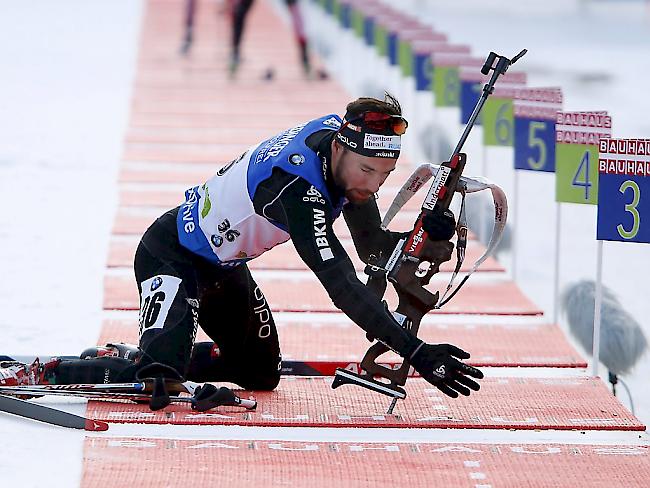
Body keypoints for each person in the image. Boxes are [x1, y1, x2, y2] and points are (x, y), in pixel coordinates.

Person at [0, 94, 483, 401]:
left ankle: (151, 347)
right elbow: (341, 284)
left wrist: (430, 235)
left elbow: (373, 249)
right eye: (367, 171)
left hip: (224, 267)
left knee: (260, 374)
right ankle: (46, 369)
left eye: (384, 175)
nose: (372, 185)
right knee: (159, 382)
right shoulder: (297, 188)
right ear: (339, 148)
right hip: (172, 253)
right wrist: (415, 351)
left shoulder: (347, 158)